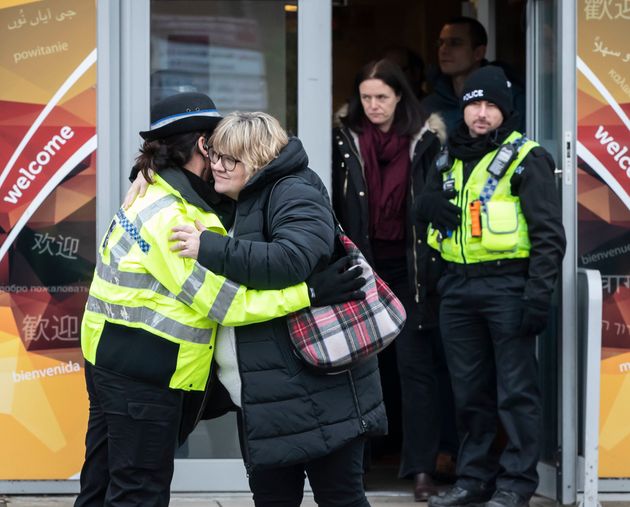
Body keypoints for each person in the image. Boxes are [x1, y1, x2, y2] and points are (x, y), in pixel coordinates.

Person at [74, 93, 364, 507]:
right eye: (218, 147)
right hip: (144, 375)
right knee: (137, 492)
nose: (222, 160)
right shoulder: (174, 218)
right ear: (201, 147)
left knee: (101, 486)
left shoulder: (158, 192)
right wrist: (309, 292)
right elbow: (225, 304)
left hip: (113, 359)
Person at [156, 111, 387, 506]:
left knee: (340, 498)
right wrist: (144, 177)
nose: (217, 166)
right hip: (269, 395)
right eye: (214, 156)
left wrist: (208, 246)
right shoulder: (243, 196)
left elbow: (291, 258)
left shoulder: (293, 190)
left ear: (259, 157)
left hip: (315, 390)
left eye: (231, 159)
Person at [416, 66, 566, 507]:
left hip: (508, 287)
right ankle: (473, 480)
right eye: (473, 104)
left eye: (490, 105)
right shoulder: (446, 156)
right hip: (458, 290)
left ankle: (517, 484)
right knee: (469, 394)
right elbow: (425, 219)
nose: (480, 114)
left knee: (516, 393)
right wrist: (423, 206)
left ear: (505, 110)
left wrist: (538, 296)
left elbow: (548, 236)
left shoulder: (527, 157)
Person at [331, 58, 458, 501]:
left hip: (413, 271)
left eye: (381, 97)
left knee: (415, 370)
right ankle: (355, 467)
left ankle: (421, 468)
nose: (373, 106)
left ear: (400, 96)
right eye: (365, 97)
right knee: (358, 370)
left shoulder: (426, 139)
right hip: (360, 268)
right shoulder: (344, 138)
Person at [422, 17, 524, 134]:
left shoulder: (512, 100)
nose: (443, 50)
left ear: (478, 53)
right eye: (440, 43)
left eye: (455, 43)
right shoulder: (429, 105)